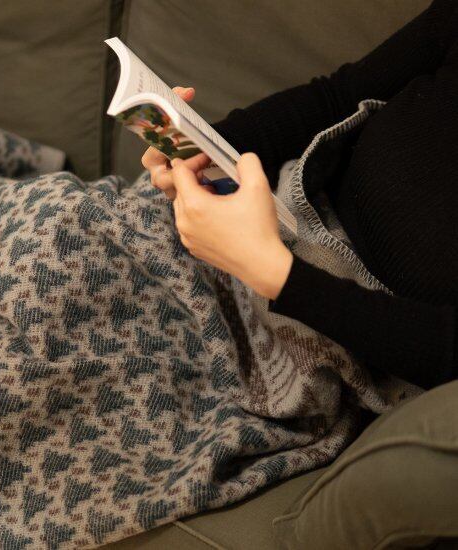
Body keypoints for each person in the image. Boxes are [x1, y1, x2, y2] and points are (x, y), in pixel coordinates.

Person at [141, 0, 457, 391]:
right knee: (68, 224)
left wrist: (269, 270)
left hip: (332, 327)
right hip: (276, 200)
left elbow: (444, 350)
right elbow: (338, 96)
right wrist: (204, 150)